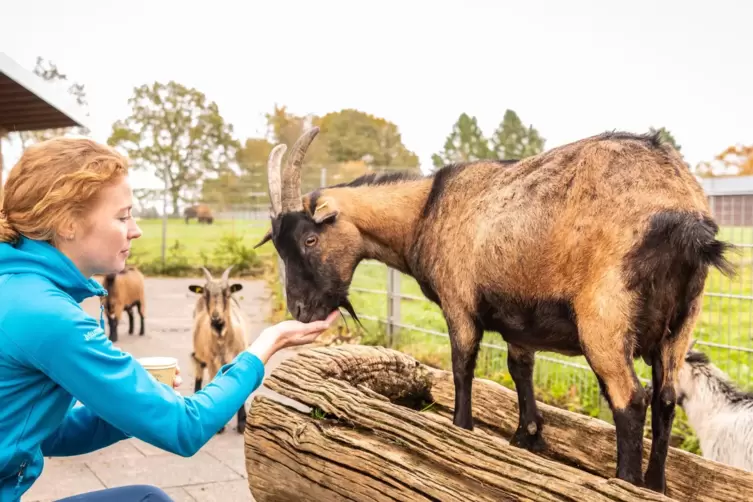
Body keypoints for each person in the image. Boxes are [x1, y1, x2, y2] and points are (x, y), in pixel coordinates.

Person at [0, 137, 337, 502]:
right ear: (67, 224)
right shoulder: (46, 314)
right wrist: (264, 346)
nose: (135, 229)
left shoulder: (19, 288)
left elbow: (46, 434)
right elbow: (185, 428)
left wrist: (131, 406)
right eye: (122, 215)